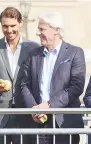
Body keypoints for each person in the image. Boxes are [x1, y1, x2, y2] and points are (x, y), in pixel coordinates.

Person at [19, 11, 86, 144]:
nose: (38, 33)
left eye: (42, 29)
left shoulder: (75, 53)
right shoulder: (33, 55)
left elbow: (76, 87)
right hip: (38, 123)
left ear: (56, 30)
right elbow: (24, 85)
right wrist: (34, 109)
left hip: (65, 124)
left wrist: (49, 106)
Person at [0, 7, 39, 144]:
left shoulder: (34, 48)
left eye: (13, 26)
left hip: (26, 116)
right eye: (5, 26)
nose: (9, 30)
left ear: (20, 23)